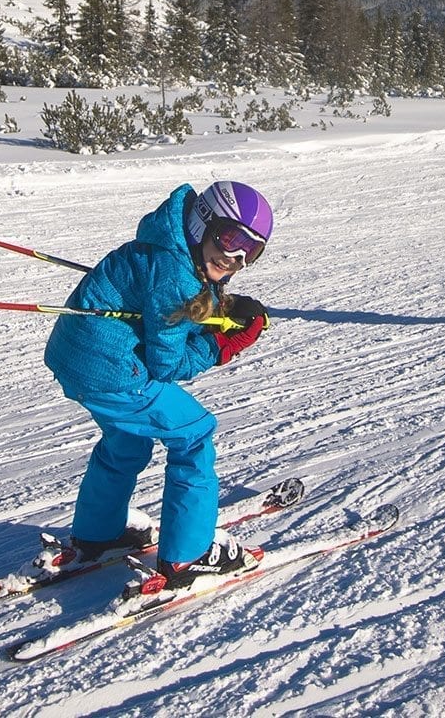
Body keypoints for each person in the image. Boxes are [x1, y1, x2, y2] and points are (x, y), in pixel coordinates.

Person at [40, 180, 275, 593]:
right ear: (204, 221)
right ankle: (189, 553)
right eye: (232, 238)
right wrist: (218, 345)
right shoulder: (177, 275)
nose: (236, 256)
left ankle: (99, 533)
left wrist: (221, 309)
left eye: (251, 250)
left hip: (77, 358)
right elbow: (165, 365)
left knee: (127, 441)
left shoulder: (168, 243)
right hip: (113, 371)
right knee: (194, 433)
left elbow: (164, 307)